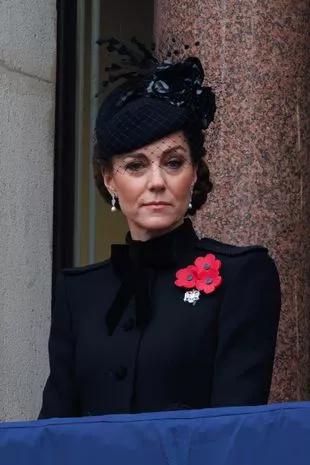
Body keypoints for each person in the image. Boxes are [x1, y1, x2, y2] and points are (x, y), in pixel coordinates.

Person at [39, 39, 281, 419]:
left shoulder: (243, 276)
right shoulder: (78, 294)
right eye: (135, 166)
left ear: (194, 173)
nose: (156, 182)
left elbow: (235, 433)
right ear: (110, 181)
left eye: (173, 162)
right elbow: (53, 433)